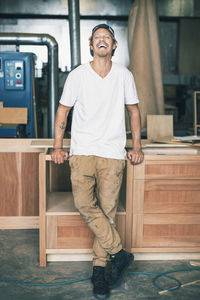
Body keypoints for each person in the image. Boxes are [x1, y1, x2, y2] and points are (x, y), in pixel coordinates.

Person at [51, 24, 144, 300]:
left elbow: (134, 111)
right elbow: (63, 111)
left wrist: (136, 146)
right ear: (90, 45)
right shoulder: (77, 76)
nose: (102, 41)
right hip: (81, 153)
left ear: (114, 46)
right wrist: (58, 146)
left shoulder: (124, 75)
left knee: (108, 213)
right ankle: (120, 253)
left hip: (113, 154)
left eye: (107, 38)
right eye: (97, 38)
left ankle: (99, 271)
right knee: (84, 205)